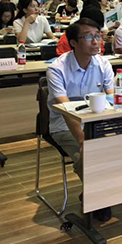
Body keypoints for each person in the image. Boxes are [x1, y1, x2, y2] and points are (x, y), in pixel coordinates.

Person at [46, 18, 114, 222]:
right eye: (88, 37)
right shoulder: (57, 69)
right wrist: (83, 140)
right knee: (88, 153)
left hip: (99, 123)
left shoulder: (103, 63)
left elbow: (113, 99)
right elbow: (66, 111)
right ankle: (98, 196)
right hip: (65, 126)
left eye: (97, 36)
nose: (96, 41)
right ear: (74, 42)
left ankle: (105, 190)